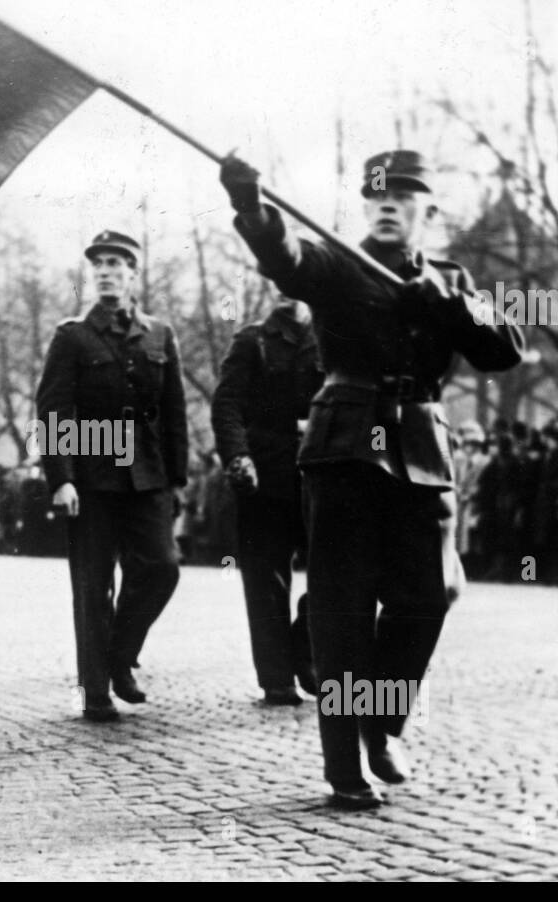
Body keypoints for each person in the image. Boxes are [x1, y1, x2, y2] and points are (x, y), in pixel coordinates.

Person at [220, 149, 524, 807]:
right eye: (376, 197)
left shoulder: (450, 278)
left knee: (430, 594)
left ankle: (380, 721)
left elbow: (504, 349)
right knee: (341, 607)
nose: (387, 206)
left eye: (402, 197)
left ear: (428, 211)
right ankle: (343, 766)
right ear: (365, 207)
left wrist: (445, 304)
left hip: (420, 441)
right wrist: (250, 206)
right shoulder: (335, 262)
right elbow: (285, 258)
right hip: (345, 443)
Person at [35, 230, 189, 722]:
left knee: (162, 567)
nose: (106, 271)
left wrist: (178, 481)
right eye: (98, 264)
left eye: (116, 263)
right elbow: (54, 409)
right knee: (92, 584)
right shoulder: (72, 335)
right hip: (92, 477)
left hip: (147, 476)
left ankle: (121, 655)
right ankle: (96, 689)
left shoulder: (160, 334)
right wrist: (61, 478)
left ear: (133, 273)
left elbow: (174, 413)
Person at [211, 299, 323, 705]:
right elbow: (227, 405)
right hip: (265, 475)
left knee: (339, 568)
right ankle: (276, 677)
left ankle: (304, 646)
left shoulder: (333, 335)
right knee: (264, 580)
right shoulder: (252, 340)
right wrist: (238, 457)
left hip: (324, 472)